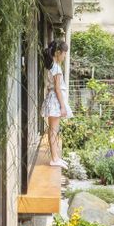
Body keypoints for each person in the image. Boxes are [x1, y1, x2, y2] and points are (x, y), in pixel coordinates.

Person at [41, 39, 72, 167]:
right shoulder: (57, 68)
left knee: (53, 130)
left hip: (52, 99)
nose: (65, 56)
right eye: (64, 53)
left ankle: (56, 157)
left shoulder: (51, 66)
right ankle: (54, 158)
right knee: (54, 130)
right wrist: (63, 107)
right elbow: (58, 89)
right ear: (58, 53)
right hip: (55, 100)